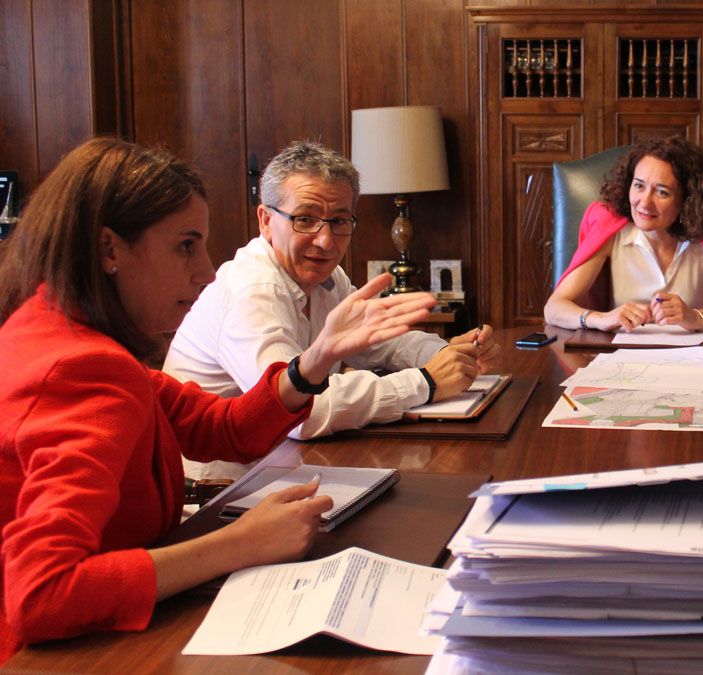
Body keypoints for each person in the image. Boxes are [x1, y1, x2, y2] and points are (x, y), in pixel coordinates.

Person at [0, 138, 437, 661]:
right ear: (109, 250)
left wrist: (313, 361)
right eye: (186, 245)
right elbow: (42, 595)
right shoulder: (82, 369)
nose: (207, 271)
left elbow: (221, 428)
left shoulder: (58, 330)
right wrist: (244, 543)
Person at [163, 141, 500, 464]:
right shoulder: (252, 290)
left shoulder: (328, 276)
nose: (325, 241)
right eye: (305, 219)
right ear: (266, 221)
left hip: (284, 467)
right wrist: (425, 383)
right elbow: (301, 415)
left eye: (339, 221)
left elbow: (375, 343)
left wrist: (446, 354)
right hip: (218, 495)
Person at [544, 137, 703, 332]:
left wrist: (696, 317)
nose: (644, 203)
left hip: (697, 362)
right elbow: (554, 308)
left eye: (662, 192)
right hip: (621, 361)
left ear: (687, 199)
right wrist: (601, 319)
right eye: (639, 186)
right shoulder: (612, 231)